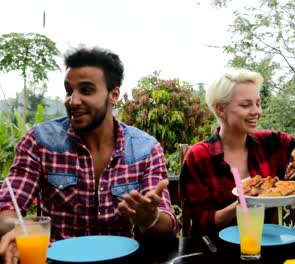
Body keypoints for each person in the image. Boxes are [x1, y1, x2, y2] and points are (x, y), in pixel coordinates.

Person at [0, 46, 178, 263]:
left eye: (86, 90)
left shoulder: (145, 149)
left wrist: (150, 218)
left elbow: (167, 226)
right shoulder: (39, 142)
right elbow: (7, 210)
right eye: (69, 90)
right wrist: (23, 228)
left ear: (113, 95)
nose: (73, 101)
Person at [179, 68, 295, 236]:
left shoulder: (270, 142)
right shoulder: (199, 157)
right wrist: (243, 204)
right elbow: (201, 220)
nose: (256, 111)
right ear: (220, 109)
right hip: (215, 251)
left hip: (267, 244)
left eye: (258, 103)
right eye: (245, 104)